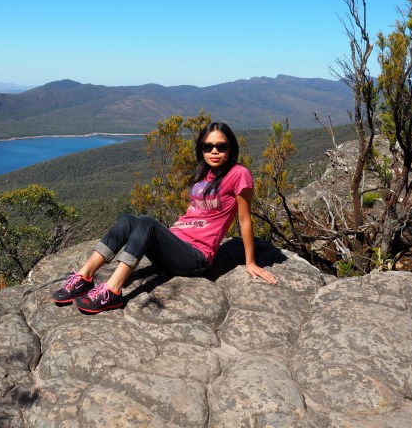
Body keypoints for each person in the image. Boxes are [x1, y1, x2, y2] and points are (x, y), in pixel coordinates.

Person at [52, 121, 278, 314]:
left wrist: (250, 262)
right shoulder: (205, 173)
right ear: (201, 149)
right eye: (208, 147)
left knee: (146, 222)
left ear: (231, 148)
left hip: (196, 257)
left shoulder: (239, 174)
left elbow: (244, 218)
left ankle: (113, 290)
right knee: (128, 219)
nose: (214, 151)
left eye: (221, 146)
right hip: (176, 246)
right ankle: (85, 276)